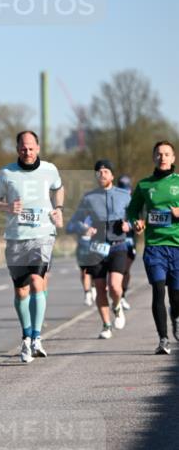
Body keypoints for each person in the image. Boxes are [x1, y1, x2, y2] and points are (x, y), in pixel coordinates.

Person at [0, 131, 64, 363]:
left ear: (38, 148)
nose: (27, 152)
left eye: (31, 148)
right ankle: (26, 335)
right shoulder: (6, 174)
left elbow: (58, 188)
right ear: (17, 149)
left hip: (42, 235)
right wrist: (7, 206)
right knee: (21, 290)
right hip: (16, 237)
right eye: (23, 148)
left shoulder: (50, 170)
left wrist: (58, 207)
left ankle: (37, 338)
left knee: (36, 280)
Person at [117, 141, 179, 354]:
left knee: (176, 297)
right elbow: (133, 211)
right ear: (153, 157)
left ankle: (176, 316)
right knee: (158, 290)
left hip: (177, 247)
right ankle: (163, 339)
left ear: (173, 158)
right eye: (159, 154)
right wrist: (137, 222)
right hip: (154, 247)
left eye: (167, 154)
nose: (163, 158)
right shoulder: (144, 186)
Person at [68, 160, 131, 340]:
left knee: (115, 287)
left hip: (118, 246)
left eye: (105, 171)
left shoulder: (124, 195)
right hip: (96, 248)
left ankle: (117, 307)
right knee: (100, 288)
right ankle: (106, 325)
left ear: (112, 175)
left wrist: (130, 225)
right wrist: (84, 229)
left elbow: (136, 217)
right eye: (98, 172)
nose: (102, 174)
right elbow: (74, 222)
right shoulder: (89, 198)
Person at [116, 173, 135, 310]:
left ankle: (122, 296)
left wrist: (135, 225)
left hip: (129, 239)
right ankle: (116, 294)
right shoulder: (113, 200)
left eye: (127, 188)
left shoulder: (135, 201)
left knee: (126, 269)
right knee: (117, 270)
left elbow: (142, 220)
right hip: (114, 240)